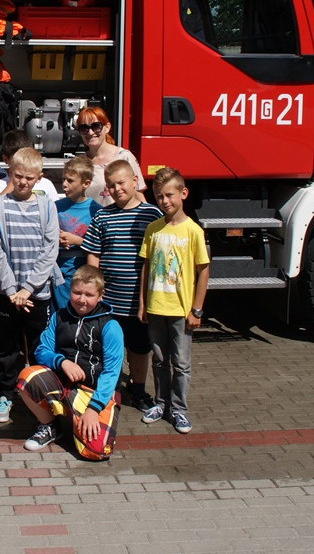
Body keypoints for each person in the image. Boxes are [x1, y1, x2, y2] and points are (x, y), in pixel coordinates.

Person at [0, 147, 60, 424]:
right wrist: (11, 290)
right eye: (18, 176)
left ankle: (41, 393)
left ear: (39, 177)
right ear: (10, 173)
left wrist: (27, 288)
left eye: (29, 177)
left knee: (40, 345)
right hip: (5, 292)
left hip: (36, 292)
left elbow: (50, 249)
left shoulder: (46, 206)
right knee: (5, 347)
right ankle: (6, 394)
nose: (23, 182)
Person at [17, 265, 123, 460]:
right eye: (77, 292)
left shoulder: (110, 326)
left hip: (95, 391)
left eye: (89, 295)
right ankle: (50, 425)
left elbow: (111, 372)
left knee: (95, 452)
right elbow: (41, 350)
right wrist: (62, 362)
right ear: (70, 291)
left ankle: (78, 417)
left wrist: (93, 408)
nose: (82, 299)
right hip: (63, 381)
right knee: (27, 377)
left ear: (101, 295)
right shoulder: (59, 317)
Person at [81, 159, 162, 412]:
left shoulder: (152, 214)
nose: (116, 189)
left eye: (121, 183)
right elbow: (93, 253)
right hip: (110, 299)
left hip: (138, 300)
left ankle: (138, 390)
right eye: (110, 186)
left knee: (139, 348)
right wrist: (95, 289)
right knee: (110, 347)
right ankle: (111, 389)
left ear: (135, 181)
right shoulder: (103, 216)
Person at [138, 167, 210, 433]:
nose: (164, 201)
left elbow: (203, 271)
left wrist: (197, 310)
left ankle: (178, 409)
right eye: (159, 196)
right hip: (156, 308)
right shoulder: (153, 229)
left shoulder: (193, 231)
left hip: (181, 311)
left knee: (180, 364)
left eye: (169, 195)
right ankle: (160, 402)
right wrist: (143, 304)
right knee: (159, 360)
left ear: (183, 193)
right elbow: (146, 266)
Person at [53, 156, 101, 312]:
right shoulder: (56, 207)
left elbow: (100, 244)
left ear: (85, 184)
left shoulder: (95, 210)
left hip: (81, 270)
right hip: (58, 270)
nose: (64, 184)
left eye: (70, 180)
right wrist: (56, 239)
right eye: (63, 179)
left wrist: (78, 240)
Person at [75, 105, 145, 207]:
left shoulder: (124, 156)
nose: (90, 132)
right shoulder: (79, 163)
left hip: (119, 220)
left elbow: (138, 193)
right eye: (84, 128)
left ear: (107, 127)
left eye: (96, 126)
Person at [0, 130, 59, 200]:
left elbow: (55, 208)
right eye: (17, 159)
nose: (23, 162)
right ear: (5, 159)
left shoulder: (46, 184)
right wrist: (13, 182)